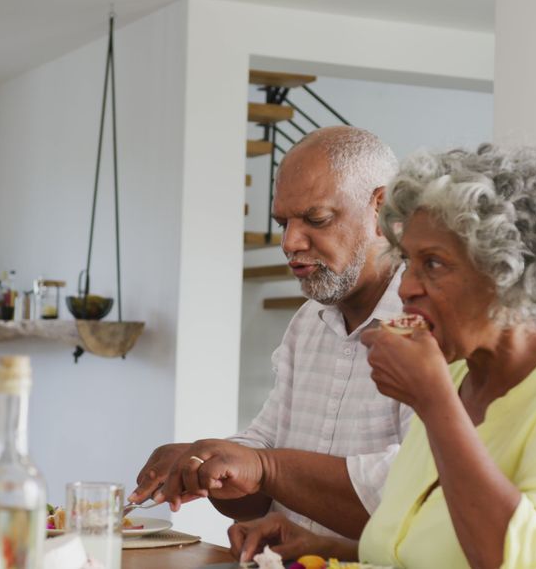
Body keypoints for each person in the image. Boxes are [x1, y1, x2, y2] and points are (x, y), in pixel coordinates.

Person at [228, 144, 536, 567]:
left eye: (432, 264)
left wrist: (435, 404)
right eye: (408, 261)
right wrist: (325, 547)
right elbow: (422, 551)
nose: (406, 287)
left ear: (508, 271)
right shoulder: (457, 375)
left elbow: (532, 563)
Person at [129, 126, 412, 538]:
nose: (290, 241)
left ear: (382, 210)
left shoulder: (430, 324)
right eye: (283, 222)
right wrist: (205, 464)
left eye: (316, 219)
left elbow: (415, 491)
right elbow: (263, 458)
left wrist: (263, 468)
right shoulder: (307, 322)